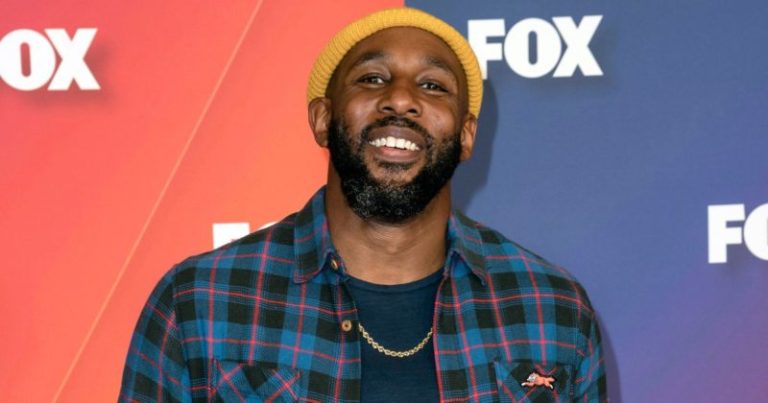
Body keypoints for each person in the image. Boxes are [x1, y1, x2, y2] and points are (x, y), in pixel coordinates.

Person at [120, 7, 606, 402]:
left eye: (433, 86)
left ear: (466, 136)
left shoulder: (552, 309)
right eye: (372, 78)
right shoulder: (200, 301)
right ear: (322, 119)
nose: (401, 99)